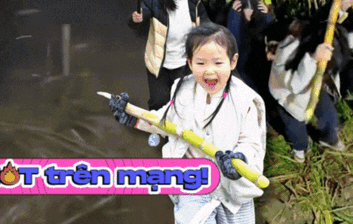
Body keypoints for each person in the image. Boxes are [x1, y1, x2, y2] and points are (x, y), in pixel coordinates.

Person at [109, 23, 266, 224]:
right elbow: (166, 121)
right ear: (189, 62)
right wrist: (135, 118)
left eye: (218, 63)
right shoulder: (183, 90)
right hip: (193, 179)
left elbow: (251, 142)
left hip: (232, 186)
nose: (209, 72)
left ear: (233, 61)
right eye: (201, 63)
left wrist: (239, 160)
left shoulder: (244, 100)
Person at [129, 0, 209, 110]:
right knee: (158, 102)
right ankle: (157, 125)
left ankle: (176, 126)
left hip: (184, 64)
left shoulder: (194, 3)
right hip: (158, 63)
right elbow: (136, 21)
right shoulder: (155, 0)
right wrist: (136, 19)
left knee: (182, 103)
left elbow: (206, 26)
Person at [268, 18, 350, 162]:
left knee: (328, 113)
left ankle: (329, 139)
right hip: (288, 98)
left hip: (313, 86)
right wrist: (313, 59)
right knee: (296, 129)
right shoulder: (287, 53)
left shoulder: (321, 41)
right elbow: (294, 86)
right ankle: (299, 149)